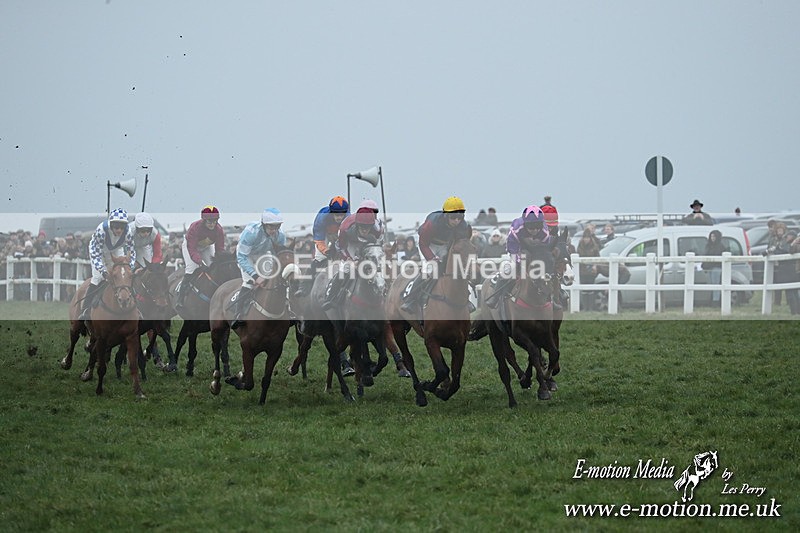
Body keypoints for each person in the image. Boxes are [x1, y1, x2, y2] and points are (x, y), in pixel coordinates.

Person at [400, 196, 471, 313]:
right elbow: (423, 244)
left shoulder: (463, 225)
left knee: (456, 270)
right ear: (446, 215)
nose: (456, 221)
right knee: (429, 270)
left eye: (460, 217)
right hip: (427, 245)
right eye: (453, 217)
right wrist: (432, 258)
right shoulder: (431, 224)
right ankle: (410, 300)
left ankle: (465, 299)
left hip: (444, 246)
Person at [486, 205, 552, 308]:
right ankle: (495, 297)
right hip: (517, 248)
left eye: (537, 226)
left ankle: (555, 296)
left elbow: (544, 250)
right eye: (531, 227)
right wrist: (518, 260)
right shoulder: (516, 228)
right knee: (509, 268)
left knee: (548, 269)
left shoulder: (544, 232)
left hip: (535, 252)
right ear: (525, 225)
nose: (534, 230)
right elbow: (512, 247)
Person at [230, 208, 286, 329]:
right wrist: (256, 276)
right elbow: (242, 257)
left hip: (263, 254)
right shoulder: (251, 233)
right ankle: (238, 314)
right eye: (271, 227)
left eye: (277, 227)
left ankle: (286, 309)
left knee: (273, 279)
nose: (274, 230)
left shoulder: (280, 235)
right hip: (246, 255)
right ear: (264, 224)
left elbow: (280, 254)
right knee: (249, 282)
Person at [79, 208, 136, 320]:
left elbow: (132, 252)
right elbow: (96, 254)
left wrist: (131, 267)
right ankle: (85, 310)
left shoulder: (128, 232)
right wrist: (103, 271)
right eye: (116, 227)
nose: (119, 230)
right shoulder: (101, 230)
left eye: (121, 227)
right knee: (98, 278)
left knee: (123, 276)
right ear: (111, 225)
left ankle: (136, 307)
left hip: (116, 249)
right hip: (98, 250)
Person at [322, 205, 382, 310]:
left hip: (367, 243)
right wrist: (350, 259)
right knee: (346, 268)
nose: (364, 230)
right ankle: (331, 297)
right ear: (357, 224)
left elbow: (378, 246)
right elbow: (341, 248)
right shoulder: (345, 229)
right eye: (362, 227)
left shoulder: (376, 229)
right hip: (349, 243)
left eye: (367, 227)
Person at [293, 195, 350, 297]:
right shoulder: (322, 217)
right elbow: (319, 240)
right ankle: (303, 287)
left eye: (341, 215)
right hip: (325, 234)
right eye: (336, 215)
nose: (339, 217)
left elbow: (347, 239)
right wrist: (326, 251)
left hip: (339, 234)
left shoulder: (348, 218)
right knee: (319, 258)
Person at [176, 206, 225, 309]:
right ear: (204, 220)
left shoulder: (219, 230)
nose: (212, 224)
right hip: (190, 246)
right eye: (209, 221)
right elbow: (193, 249)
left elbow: (220, 250)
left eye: (215, 221)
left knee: (212, 267)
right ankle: (180, 298)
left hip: (207, 247)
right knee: (191, 268)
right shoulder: (195, 227)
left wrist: (220, 262)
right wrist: (200, 262)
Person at [576, 228, 602, 310]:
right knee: (584, 289)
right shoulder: (580, 246)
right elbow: (578, 257)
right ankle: (585, 307)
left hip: (591, 270)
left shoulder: (594, 247)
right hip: (582, 270)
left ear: (590, 238)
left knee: (590, 289)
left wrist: (595, 265)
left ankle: (590, 307)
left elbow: (598, 258)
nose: (586, 239)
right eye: (585, 237)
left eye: (587, 238)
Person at [701, 229, 725, 303]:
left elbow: (716, 257)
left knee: (716, 284)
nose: (712, 238)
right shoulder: (708, 246)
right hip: (709, 268)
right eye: (711, 236)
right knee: (712, 284)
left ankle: (716, 301)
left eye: (714, 236)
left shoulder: (720, 246)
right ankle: (713, 300)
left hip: (716, 268)